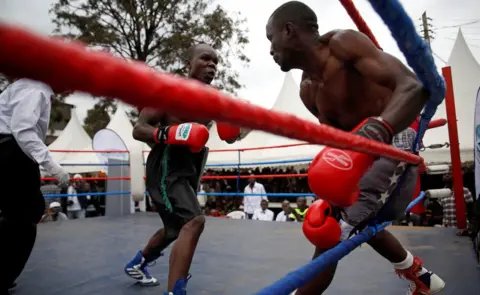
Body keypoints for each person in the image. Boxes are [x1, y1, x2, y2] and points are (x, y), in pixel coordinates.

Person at [265, 2, 445, 294]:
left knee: (335, 232)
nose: (270, 50)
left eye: (270, 38)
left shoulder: (343, 44)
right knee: (342, 219)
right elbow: (337, 144)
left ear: (288, 31)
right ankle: (418, 274)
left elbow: (413, 87)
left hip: (397, 138)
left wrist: (377, 129)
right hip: (362, 157)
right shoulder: (308, 90)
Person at [124, 44, 245, 295]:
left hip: (189, 168)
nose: (211, 65)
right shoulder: (169, 91)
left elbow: (231, 138)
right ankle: (176, 291)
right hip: (167, 167)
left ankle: (137, 263)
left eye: (215, 62)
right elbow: (139, 128)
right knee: (194, 220)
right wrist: (168, 133)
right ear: (187, 63)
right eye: (205, 59)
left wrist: (235, 127)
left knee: (174, 229)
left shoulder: (214, 100)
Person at [0, 78, 70, 295]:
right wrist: (52, 166)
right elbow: (23, 130)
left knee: (15, 215)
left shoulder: (21, 85)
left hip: (8, 150)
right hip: (11, 152)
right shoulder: (37, 89)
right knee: (25, 215)